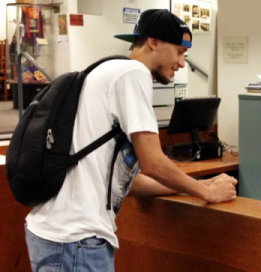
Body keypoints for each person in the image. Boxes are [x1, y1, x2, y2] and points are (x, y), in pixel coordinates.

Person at [24, 9, 237, 271]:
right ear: (154, 42)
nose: (182, 62)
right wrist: (207, 192)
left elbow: (130, 181)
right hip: (76, 242)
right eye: (180, 52)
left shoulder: (108, 70)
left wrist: (194, 184)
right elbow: (153, 163)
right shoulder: (132, 74)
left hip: (56, 236)